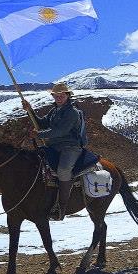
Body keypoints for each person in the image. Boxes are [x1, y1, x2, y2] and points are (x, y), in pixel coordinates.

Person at [21, 82, 86, 220]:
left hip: (70, 147)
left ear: (67, 95)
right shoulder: (54, 111)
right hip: (54, 146)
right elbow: (41, 123)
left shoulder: (72, 113)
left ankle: (62, 206)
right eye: (56, 95)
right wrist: (30, 110)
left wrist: (39, 135)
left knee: (63, 170)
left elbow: (60, 131)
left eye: (62, 95)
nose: (59, 97)